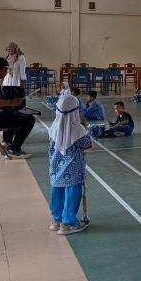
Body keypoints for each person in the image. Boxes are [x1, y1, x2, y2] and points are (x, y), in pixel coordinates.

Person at [48, 93, 93, 235]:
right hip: (74, 169)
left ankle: (56, 220)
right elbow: (88, 145)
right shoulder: (78, 129)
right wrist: (84, 128)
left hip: (55, 167)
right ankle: (68, 223)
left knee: (57, 191)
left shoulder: (53, 127)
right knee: (72, 194)